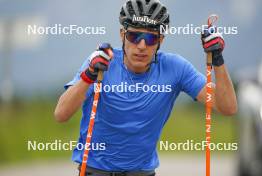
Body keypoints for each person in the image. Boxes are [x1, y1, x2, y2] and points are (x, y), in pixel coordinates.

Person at [54, 0, 237, 175]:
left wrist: (218, 59)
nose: (141, 46)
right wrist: (89, 75)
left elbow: (227, 107)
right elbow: (61, 114)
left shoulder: (175, 68)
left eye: (150, 38)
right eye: (134, 36)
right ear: (122, 35)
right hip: (95, 172)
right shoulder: (102, 62)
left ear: (160, 41)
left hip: (142, 174)